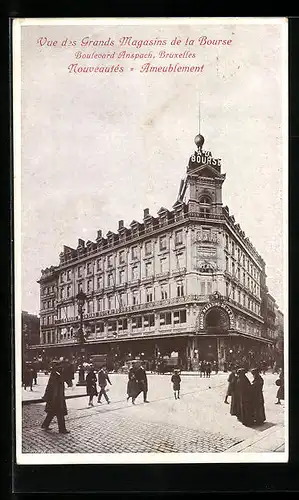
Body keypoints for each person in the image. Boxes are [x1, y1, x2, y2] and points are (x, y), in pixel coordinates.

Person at [41, 360, 69, 434]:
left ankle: (45, 425)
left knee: (51, 412)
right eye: (59, 366)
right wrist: (56, 398)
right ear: (56, 367)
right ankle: (62, 429)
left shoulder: (56, 374)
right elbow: (54, 388)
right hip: (56, 398)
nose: (61, 367)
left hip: (55, 398)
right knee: (60, 414)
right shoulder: (55, 375)